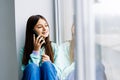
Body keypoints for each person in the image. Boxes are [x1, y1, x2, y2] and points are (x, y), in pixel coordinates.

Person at [20, 15, 60, 80]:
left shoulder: (54, 47)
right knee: (32, 67)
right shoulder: (24, 50)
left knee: (47, 65)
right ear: (32, 31)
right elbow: (26, 73)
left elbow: (60, 73)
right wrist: (35, 52)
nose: (45, 29)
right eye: (40, 27)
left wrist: (50, 63)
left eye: (46, 25)